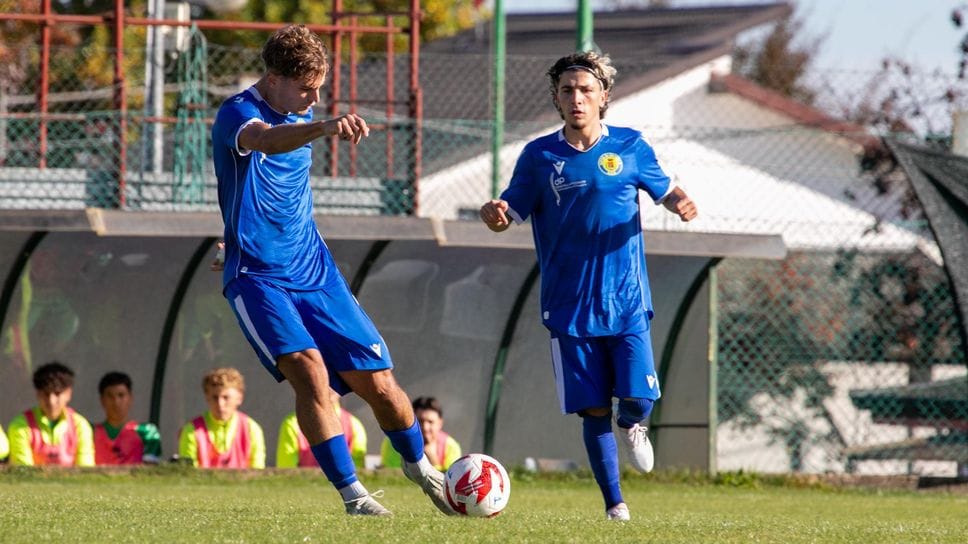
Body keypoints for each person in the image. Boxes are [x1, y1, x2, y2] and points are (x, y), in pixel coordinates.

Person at [211, 24, 452, 516]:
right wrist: (321, 126)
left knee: (381, 386)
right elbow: (264, 141)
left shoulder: (303, 109)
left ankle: (421, 468)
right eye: (306, 88)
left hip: (315, 270)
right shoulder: (239, 114)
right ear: (273, 78)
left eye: (320, 88)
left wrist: (315, 119)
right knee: (310, 371)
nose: (314, 97)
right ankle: (354, 495)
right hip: (258, 277)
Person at [478, 51, 698, 521]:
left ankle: (634, 422)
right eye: (567, 91)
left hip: (626, 300)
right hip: (569, 306)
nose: (576, 98)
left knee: (638, 396)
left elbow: (665, 188)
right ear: (557, 100)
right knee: (592, 409)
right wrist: (493, 214)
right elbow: (508, 213)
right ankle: (615, 504)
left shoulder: (631, 147)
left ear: (603, 97)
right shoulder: (539, 157)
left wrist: (681, 201)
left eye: (585, 90)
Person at [6, 361, 94, 466]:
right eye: (46, 394)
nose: (51, 401)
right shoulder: (19, 425)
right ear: (38, 394)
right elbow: (24, 473)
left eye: (57, 394)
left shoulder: (80, 425)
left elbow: (85, 472)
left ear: (68, 394)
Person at [178, 367, 266, 469]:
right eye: (215, 397)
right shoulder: (191, 430)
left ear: (239, 398)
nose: (220, 404)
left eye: (226, 397)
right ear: (207, 398)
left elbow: (258, 472)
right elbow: (188, 474)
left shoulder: (252, 429)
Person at [277, 390, 367, 469]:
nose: (327, 386)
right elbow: (287, 471)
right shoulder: (293, 423)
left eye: (333, 380)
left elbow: (358, 471)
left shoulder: (354, 425)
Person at [93, 371, 162, 465]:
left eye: (121, 395)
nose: (116, 402)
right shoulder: (90, 432)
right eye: (110, 396)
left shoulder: (147, 432)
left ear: (130, 398)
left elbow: (151, 471)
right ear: (102, 400)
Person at [380, 396, 461, 471]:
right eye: (420, 421)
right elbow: (393, 476)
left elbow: (451, 480)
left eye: (430, 422)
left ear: (440, 423)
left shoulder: (450, 446)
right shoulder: (394, 442)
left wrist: (433, 461)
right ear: (409, 422)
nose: (425, 427)